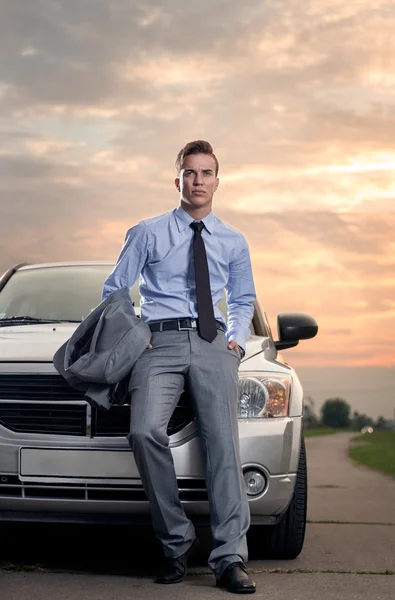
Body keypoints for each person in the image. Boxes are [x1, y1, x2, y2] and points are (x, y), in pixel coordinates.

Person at [101, 140, 257, 594]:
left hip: (213, 343)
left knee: (223, 446)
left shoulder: (234, 241)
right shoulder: (147, 232)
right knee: (144, 430)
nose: (198, 181)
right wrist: (138, 335)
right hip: (160, 341)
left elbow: (243, 299)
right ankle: (175, 543)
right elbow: (114, 291)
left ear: (216, 181)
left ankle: (229, 558)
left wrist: (236, 341)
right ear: (178, 180)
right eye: (190, 173)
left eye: (206, 173)